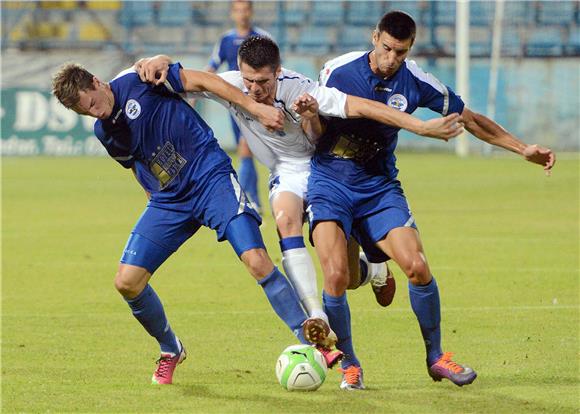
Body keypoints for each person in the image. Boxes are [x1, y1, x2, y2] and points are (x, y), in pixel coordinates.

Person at [135, 36, 464, 366]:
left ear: (278, 72)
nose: (255, 89)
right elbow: (187, 78)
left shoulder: (299, 88)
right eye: (248, 80)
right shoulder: (234, 86)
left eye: (263, 82)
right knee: (286, 221)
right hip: (286, 172)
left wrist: (417, 126)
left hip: (326, 171)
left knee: (343, 275)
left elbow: (360, 106)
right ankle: (317, 316)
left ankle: (372, 268)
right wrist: (158, 57)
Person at [306, 10, 556, 390]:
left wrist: (522, 149)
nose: (391, 60)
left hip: (377, 186)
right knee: (337, 275)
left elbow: (468, 118)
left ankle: (436, 357)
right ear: (375, 37)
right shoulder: (337, 71)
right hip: (330, 182)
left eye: (400, 53)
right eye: (387, 48)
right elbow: (314, 121)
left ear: (410, 50)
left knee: (418, 266)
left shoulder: (415, 80)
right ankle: (350, 365)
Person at [51, 62, 333, 385]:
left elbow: (204, 82)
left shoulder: (140, 78)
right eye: (85, 113)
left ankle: (314, 340)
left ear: (97, 81)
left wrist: (255, 108)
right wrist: (152, 200)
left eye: (92, 104)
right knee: (127, 281)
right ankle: (171, 349)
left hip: (210, 178)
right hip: (169, 200)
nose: (95, 113)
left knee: (256, 260)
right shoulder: (104, 132)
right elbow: (135, 164)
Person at [206, 0, 271, 213]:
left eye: (245, 10)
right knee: (245, 150)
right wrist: (196, 88)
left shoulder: (261, 38)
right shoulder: (226, 40)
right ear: (233, 13)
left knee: (246, 148)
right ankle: (255, 199)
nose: (242, 14)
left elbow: (274, 69)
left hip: (256, 102)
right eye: (238, 10)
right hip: (233, 103)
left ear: (251, 12)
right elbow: (212, 66)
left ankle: (246, 200)